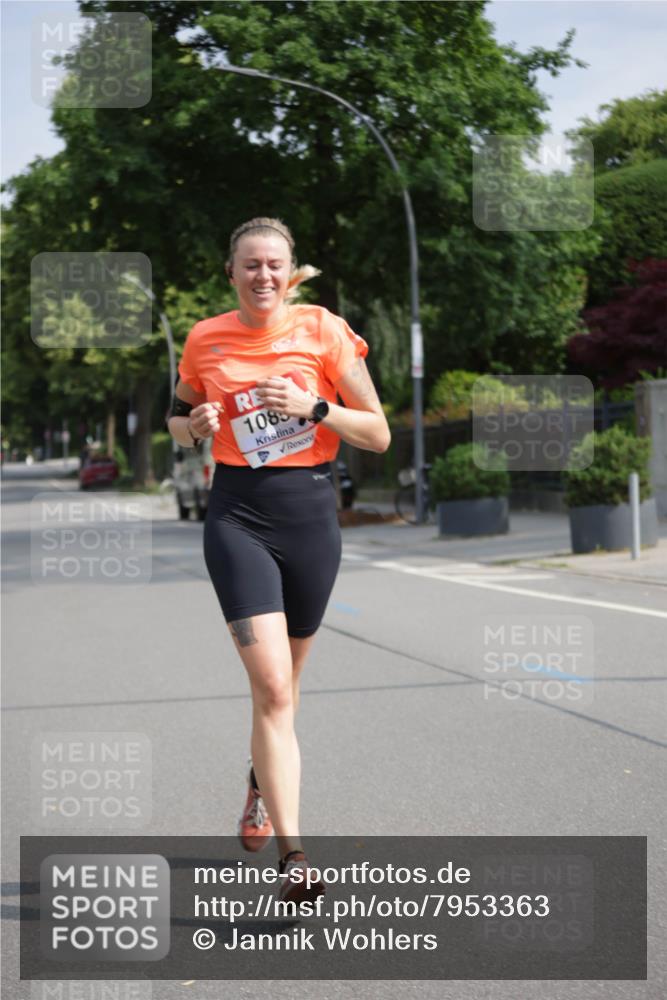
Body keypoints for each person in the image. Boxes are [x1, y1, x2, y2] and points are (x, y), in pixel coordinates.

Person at [167, 217, 390, 903]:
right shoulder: (205, 339)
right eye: (250, 264)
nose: (262, 275)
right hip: (236, 514)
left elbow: (378, 434)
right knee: (271, 690)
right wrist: (193, 426)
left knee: (284, 695)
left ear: (289, 273)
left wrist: (314, 405)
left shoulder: (325, 330)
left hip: (310, 518)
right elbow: (175, 418)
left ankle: (259, 783)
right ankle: (295, 858)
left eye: (274, 265)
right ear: (229, 271)